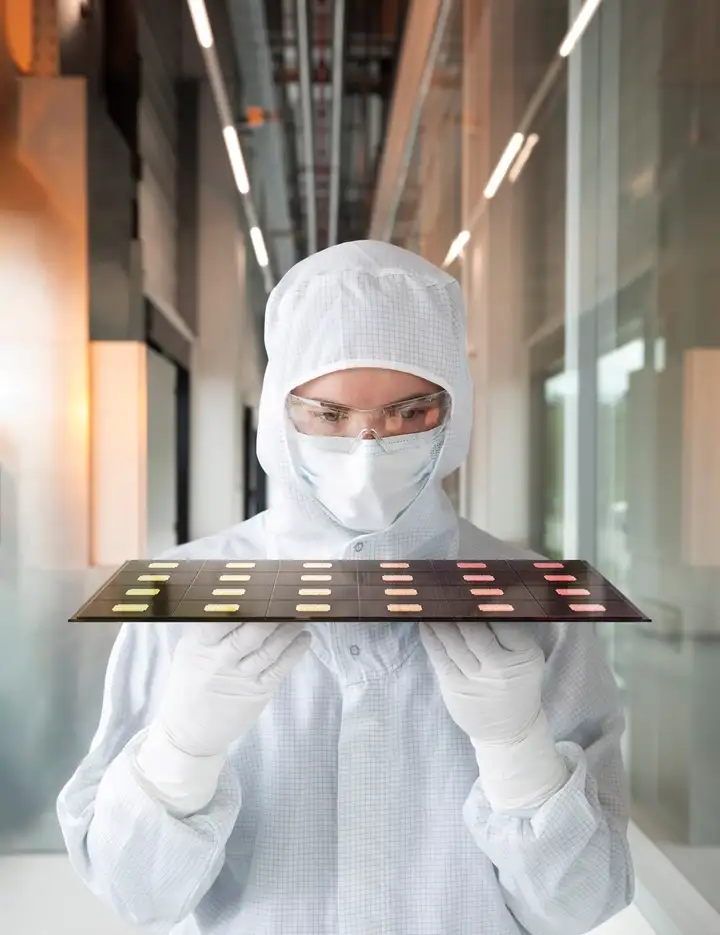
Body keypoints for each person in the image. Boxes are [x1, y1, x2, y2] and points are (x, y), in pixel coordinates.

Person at [57, 241, 633, 935]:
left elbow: (583, 904)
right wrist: (178, 755)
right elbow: (134, 896)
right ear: (281, 410)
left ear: (455, 409)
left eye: (410, 412)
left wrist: (523, 756)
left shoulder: (536, 606)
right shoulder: (184, 598)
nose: (368, 449)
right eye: (329, 416)